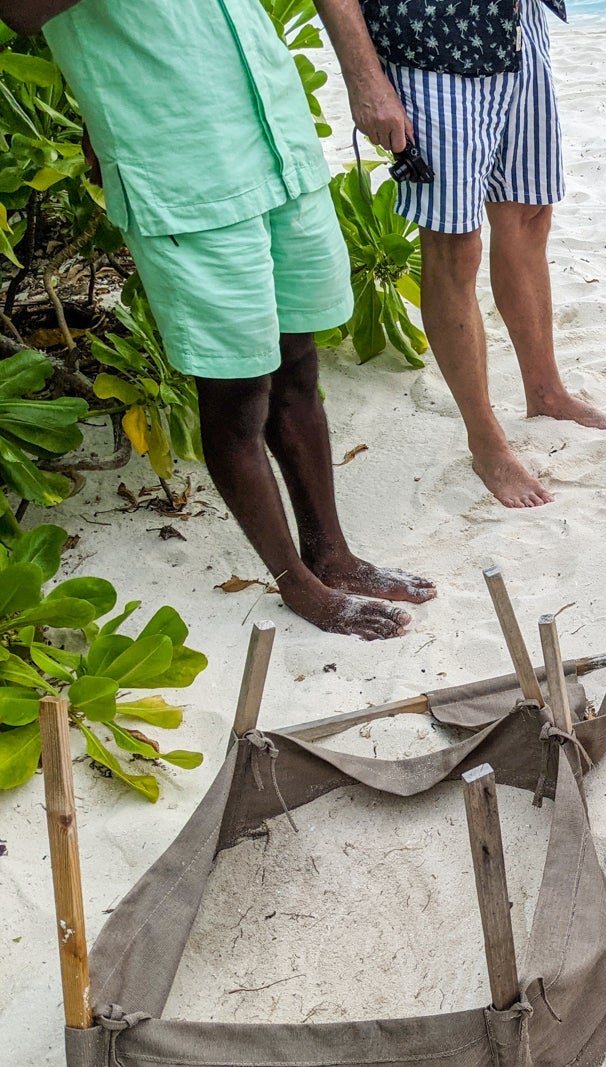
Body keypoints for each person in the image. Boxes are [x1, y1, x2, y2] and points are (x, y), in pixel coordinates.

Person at [1, 0, 434, 640]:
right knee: (237, 391)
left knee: (298, 368)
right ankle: (297, 583)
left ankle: (331, 553)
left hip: (278, 145)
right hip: (182, 173)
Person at [318, 0, 606, 510]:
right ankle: (485, 442)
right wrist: (365, 79)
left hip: (519, 30)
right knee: (454, 245)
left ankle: (546, 392)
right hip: (428, 45)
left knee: (530, 213)